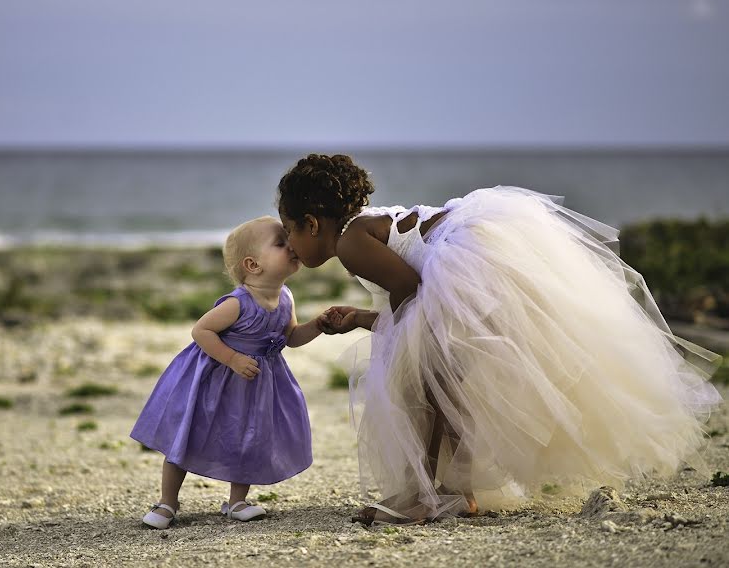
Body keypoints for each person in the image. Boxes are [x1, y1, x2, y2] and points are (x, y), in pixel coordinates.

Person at [277, 153, 723, 526]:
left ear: (313, 223)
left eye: (290, 231)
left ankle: (421, 495)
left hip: (459, 271)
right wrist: (360, 317)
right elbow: (409, 290)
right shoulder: (360, 228)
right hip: (469, 259)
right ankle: (456, 491)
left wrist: (397, 350)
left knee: (420, 385)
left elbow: (410, 290)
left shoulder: (352, 242)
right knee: (446, 386)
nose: (290, 246)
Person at [130, 216, 327, 529]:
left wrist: (317, 326)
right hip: (215, 381)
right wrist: (233, 358)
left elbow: (291, 337)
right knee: (188, 436)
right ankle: (167, 501)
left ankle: (237, 501)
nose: (292, 245)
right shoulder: (238, 303)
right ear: (252, 264)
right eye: (280, 242)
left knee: (247, 438)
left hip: (256, 385)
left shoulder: (286, 297)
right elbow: (201, 330)